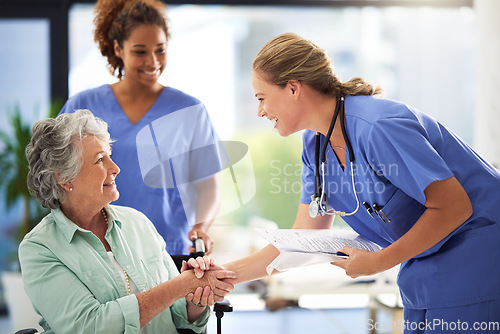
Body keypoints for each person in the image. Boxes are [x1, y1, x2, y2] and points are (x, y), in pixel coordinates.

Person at [213, 33, 500, 333]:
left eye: (261, 98)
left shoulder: (379, 127)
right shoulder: (315, 146)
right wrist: (224, 274)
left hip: (477, 257)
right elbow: (301, 238)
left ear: (294, 88)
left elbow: (454, 206)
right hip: (425, 271)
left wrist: (379, 261)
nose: (260, 111)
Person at [20, 110, 235, 333]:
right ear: (64, 178)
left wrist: (195, 298)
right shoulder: (39, 249)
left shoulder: (138, 223)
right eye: (100, 160)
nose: (115, 168)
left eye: (110, 155)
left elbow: (180, 316)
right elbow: (91, 327)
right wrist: (181, 285)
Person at [59, 0, 222, 256]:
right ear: (118, 48)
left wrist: (201, 227)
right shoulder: (83, 105)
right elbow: (60, 177)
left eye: (160, 50)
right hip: (98, 249)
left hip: (169, 250)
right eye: (140, 51)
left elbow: (208, 186)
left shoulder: (190, 111)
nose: (153, 61)